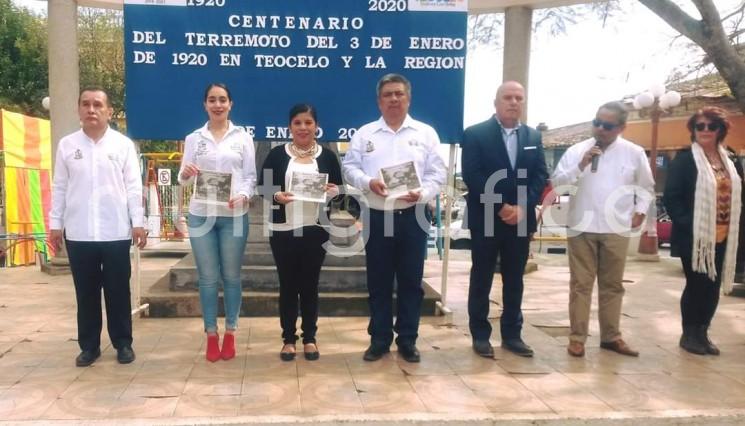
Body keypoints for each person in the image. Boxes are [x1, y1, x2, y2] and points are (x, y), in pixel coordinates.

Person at [343, 73, 447, 363]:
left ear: (408, 98)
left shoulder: (426, 133)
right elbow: (349, 168)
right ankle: (379, 339)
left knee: (411, 282)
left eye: (399, 94)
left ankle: (408, 340)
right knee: (378, 281)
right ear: (379, 100)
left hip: (413, 215)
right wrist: (367, 182)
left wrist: (423, 193)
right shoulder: (364, 134)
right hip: (377, 215)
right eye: (388, 94)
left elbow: (438, 174)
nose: (393, 99)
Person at [49, 87, 146, 367]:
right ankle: (89, 346)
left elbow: (132, 186)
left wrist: (137, 223)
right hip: (79, 232)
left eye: (97, 105)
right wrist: (56, 224)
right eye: (86, 104)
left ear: (109, 111)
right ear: (79, 109)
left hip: (115, 231)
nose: (91, 110)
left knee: (118, 290)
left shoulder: (123, 145)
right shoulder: (68, 146)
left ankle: (123, 343)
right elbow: (60, 187)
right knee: (86, 292)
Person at [552, 101, 655, 358]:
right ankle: (577, 339)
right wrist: (581, 165)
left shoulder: (633, 153)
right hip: (581, 226)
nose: (599, 129)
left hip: (616, 227)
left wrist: (640, 210)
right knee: (581, 285)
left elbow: (646, 186)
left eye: (607, 125)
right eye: (596, 122)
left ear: (621, 127)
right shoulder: (577, 151)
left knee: (612, 285)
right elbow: (557, 183)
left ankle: (611, 337)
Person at [462, 81, 548, 358]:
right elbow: (472, 176)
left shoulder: (533, 137)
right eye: (508, 97)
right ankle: (480, 335)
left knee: (514, 279)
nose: (514, 102)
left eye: (519, 98)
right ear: (496, 102)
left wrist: (523, 207)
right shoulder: (475, 134)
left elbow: (539, 176)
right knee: (482, 277)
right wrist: (500, 206)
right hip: (487, 216)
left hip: (520, 220)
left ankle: (512, 335)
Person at [178, 83, 256, 362]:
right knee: (208, 279)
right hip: (201, 215)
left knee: (232, 277)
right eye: (212, 100)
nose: (218, 104)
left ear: (230, 104)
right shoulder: (193, 138)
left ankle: (231, 332)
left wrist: (244, 195)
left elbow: (250, 176)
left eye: (222, 99)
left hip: (234, 215)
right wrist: (185, 172)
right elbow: (183, 178)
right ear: (205, 105)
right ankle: (211, 334)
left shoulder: (243, 137)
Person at [259, 104, 342, 361]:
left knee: (310, 285)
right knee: (288, 285)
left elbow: (339, 190)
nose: (303, 127)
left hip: (316, 229)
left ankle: (310, 338)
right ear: (290, 127)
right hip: (283, 229)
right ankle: (288, 339)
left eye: (308, 122)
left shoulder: (327, 156)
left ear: (316, 126)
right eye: (298, 123)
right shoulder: (277, 155)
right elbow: (263, 187)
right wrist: (276, 196)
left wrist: (333, 191)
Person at [664, 107, 742, 356]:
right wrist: (689, 224)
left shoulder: (729, 159)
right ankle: (689, 334)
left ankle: (703, 332)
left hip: (723, 235)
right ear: (693, 130)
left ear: (720, 130)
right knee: (697, 284)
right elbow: (672, 197)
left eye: (711, 126)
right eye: (700, 126)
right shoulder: (685, 160)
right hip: (695, 237)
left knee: (713, 286)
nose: (705, 130)